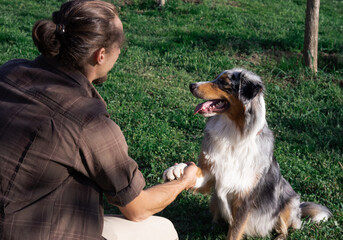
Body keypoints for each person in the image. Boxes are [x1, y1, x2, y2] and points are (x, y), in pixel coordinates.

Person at [0, 0, 198, 239]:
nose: (121, 51)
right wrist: (183, 182)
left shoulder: (9, 71)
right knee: (163, 229)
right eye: (119, 45)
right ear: (100, 55)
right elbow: (138, 207)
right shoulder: (88, 121)